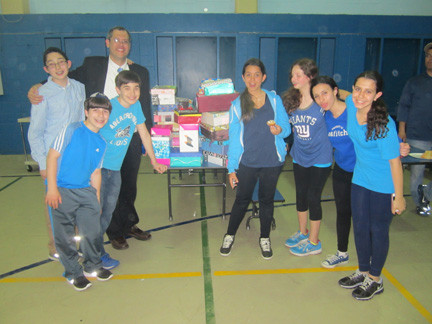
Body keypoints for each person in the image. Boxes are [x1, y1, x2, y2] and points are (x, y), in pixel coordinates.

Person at [28, 27, 153, 259]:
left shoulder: (140, 71)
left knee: (128, 185)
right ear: (107, 43)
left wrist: (148, 138)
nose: (121, 44)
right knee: (101, 189)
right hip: (99, 139)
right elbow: (62, 75)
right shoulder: (93, 65)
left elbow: (144, 104)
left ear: (130, 45)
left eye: (125, 41)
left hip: (130, 138)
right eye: (116, 40)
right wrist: (36, 86)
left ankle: (128, 223)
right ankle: (112, 232)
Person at [310, 76, 411, 269]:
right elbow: (352, 95)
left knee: (375, 227)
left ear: (335, 91)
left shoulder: (359, 110)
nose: (322, 98)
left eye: (325, 92)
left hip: (372, 175)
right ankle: (351, 259)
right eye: (317, 96)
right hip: (350, 172)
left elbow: (388, 146)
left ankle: (373, 272)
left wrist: (400, 146)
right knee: (352, 220)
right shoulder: (330, 114)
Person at [338, 71, 406, 301]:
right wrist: (344, 93)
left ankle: (375, 279)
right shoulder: (350, 101)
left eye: (368, 91)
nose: (360, 95)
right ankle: (363, 270)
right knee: (359, 227)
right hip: (360, 179)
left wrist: (399, 196)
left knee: (377, 231)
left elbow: (395, 162)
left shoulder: (384, 124)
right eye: (358, 88)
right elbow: (346, 95)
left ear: (377, 95)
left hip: (383, 185)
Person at [219, 58, 291, 259]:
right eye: (248, 75)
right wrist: (231, 168)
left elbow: (286, 127)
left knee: (267, 201)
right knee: (241, 200)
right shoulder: (236, 105)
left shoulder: (275, 100)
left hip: (271, 161)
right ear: (243, 77)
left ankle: (265, 238)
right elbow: (234, 139)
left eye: (257, 75)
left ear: (263, 77)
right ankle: (229, 235)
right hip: (248, 162)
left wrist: (280, 130)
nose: (252, 79)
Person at [98, 70, 167, 268]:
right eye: (126, 88)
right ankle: (114, 233)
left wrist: (154, 161)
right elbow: (92, 131)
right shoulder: (108, 107)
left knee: (129, 190)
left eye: (136, 88)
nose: (132, 92)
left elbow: (143, 132)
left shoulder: (135, 105)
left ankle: (129, 225)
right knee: (110, 201)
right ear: (118, 89)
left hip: (124, 155)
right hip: (105, 164)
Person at [46, 93, 113, 291]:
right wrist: (51, 189)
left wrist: (97, 199)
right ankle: (73, 273)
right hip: (62, 190)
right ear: (86, 112)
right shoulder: (72, 129)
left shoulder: (101, 142)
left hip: (86, 192)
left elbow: (96, 172)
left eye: (105, 111)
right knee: (65, 236)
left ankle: (93, 265)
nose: (100, 115)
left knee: (92, 232)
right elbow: (52, 157)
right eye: (95, 110)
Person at [28, 47, 85, 261]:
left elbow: (81, 122)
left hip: (75, 157)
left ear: (68, 64)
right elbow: (35, 132)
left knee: (76, 203)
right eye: (52, 64)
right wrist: (43, 163)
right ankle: (56, 246)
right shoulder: (42, 93)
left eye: (60, 62)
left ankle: (75, 243)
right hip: (54, 160)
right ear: (46, 69)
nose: (57, 67)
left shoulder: (79, 88)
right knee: (55, 204)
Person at [282, 58, 332, 257]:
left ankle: (314, 241)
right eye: (292, 75)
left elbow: (341, 101)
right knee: (301, 195)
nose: (293, 78)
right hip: (299, 155)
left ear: (310, 76)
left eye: (298, 75)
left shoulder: (321, 101)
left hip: (320, 157)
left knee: (313, 197)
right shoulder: (291, 100)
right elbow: (287, 127)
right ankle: (303, 232)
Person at [397, 42, 432, 216]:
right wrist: (402, 129)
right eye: (427, 56)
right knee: (417, 172)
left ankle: (427, 193)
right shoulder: (414, 82)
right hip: (418, 136)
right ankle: (420, 203)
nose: (430, 60)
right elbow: (403, 106)